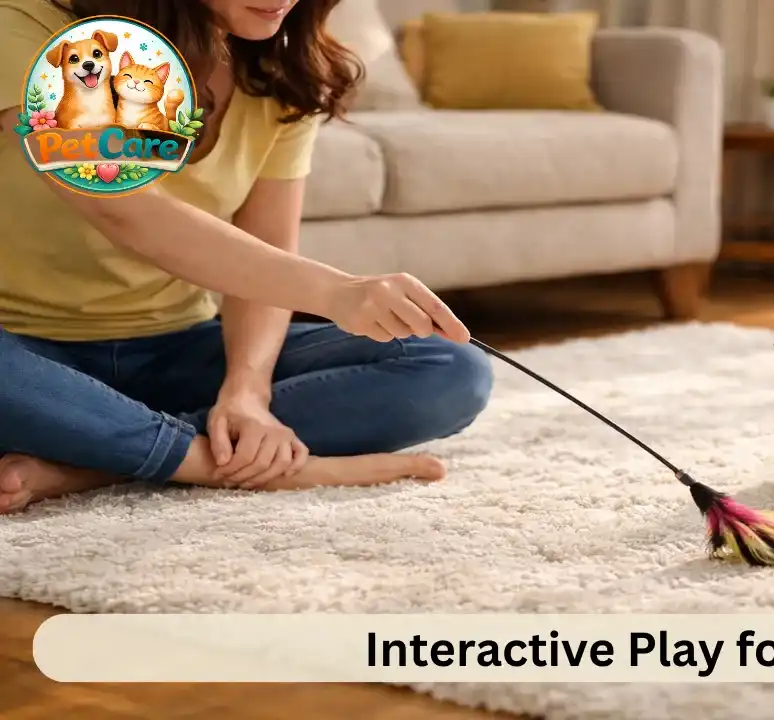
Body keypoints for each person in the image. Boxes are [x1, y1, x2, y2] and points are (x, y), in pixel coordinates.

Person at [0, 0, 494, 514]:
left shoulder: (279, 71)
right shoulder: (27, 27)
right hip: (24, 355)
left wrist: (246, 390)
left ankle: (90, 458)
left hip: (176, 350)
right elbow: (122, 209)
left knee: (448, 366)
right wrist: (336, 291)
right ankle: (195, 460)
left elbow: (269, 248)